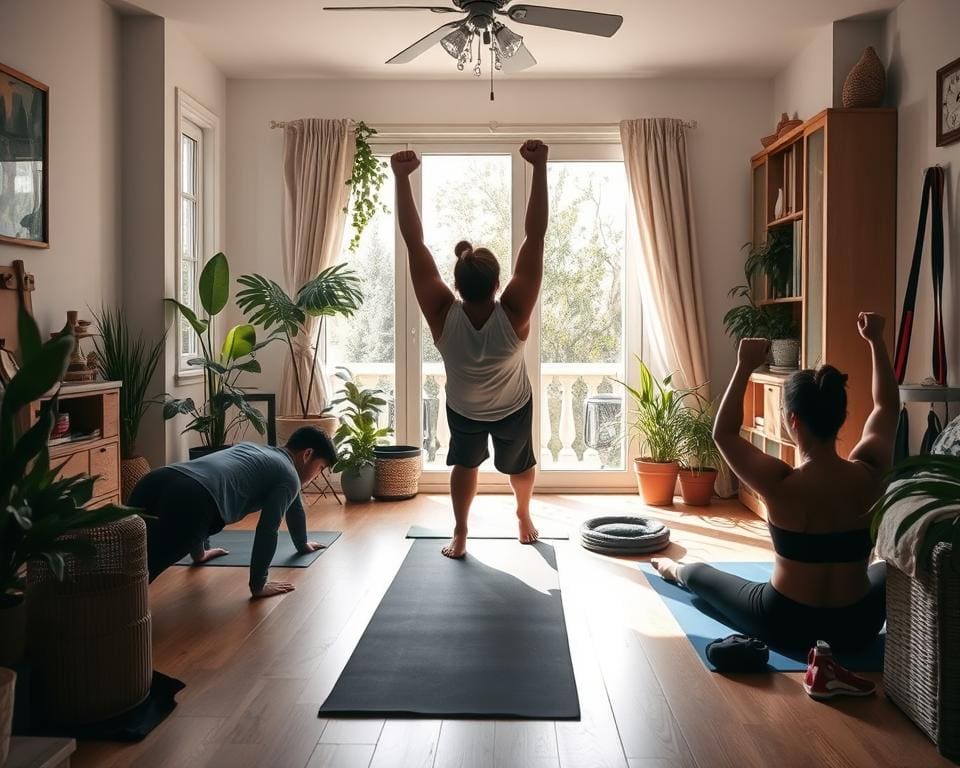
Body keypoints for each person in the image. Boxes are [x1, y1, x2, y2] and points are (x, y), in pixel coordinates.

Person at [653, 312, 898, 655]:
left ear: (792, 420)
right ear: (841, 416)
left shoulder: (780, 483)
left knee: (700, 575)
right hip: (857, 626)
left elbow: (723, 433)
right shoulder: (870, 473)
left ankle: (674, 570)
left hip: (786, 622)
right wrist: (876, 341)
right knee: (890, 570)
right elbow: (887, 406)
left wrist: (745, 365)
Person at [391, 140, 549, 559]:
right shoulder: (514, 312)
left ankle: (461, 534)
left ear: (455, 286)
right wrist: (540, 166)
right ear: (499, 284)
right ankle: (523, 515)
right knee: (521, 465)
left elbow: (414, 244)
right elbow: (536, 236)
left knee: (465, 465)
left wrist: (402, 178)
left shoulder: (442, 314)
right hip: (513, 405)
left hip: (464, 409)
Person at [129, 427, 337, 598]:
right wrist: (259, 584)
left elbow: (295, 507)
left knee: (125, 557)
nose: (318, 476)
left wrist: (302, 544)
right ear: (307, 454)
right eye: (320, 468)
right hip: (190, 499)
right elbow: (268, 529)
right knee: (137, 576)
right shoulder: (289, 475)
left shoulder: (258, 451)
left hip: (157, 479)